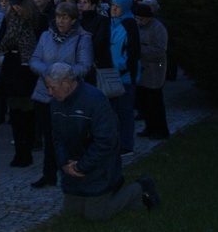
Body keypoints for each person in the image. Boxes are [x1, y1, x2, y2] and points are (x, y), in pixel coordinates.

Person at [45, 63, 159, 221]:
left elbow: (106, 142)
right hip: (73, 169)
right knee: (72, 214)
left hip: (99, 167)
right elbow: (57, 137)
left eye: (52, 87)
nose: (49, 93)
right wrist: (64, 163)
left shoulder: (95, 101)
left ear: (66, 82)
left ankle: (139, 189)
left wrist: (82, 166)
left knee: (96, 215)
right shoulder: (57, 102)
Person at [29, 1, 93, 189]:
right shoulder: (45, 36)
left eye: (64, 17)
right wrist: (49, 72)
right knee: (49, 137)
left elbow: (85, 65)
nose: (60, 21)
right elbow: (34, 60)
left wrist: (63, 74)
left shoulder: (83, 38)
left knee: (70, 136)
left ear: (73, 20)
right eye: (58, 16)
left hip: (68, 94)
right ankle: (48, 174)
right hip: (45, 93)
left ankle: (73, 172)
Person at [0, 0, 43, 168]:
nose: (15, 8)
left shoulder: (37, 20)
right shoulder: (9, 20)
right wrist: (10, 41)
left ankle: (27, 150)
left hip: (28, 69)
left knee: (28, 113)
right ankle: (19, 152)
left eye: (17, 5)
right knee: (15, 114)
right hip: (13, 69)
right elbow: (1, 43)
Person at [109, 0, 141, 156]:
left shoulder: (130, 25)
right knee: (113, 111)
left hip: (125, 76)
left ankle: (126, 144)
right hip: (111, 75)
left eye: (117, 6)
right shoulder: (112, 24)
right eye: (112, 5)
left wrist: (120, 67)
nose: (113, 9)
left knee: (125, 111)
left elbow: (133, 53)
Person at [134, 3, 170, 140]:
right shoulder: (138, 26)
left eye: (141, 19)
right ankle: (149, 128)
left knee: (155, 102)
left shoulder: (158, 28)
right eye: (137, 18)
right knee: (145, 103)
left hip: (154, 70)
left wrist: (139, 49)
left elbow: (160, 51)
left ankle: (161, 130)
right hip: (142, 70)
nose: (139, 21)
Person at [76, 0, 112, 86]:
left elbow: (99, 43)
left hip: (97, 66)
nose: (81, 5)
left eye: (85, 2)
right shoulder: (77, 21)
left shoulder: (102, 21)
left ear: (93, 4)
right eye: (79, 2)